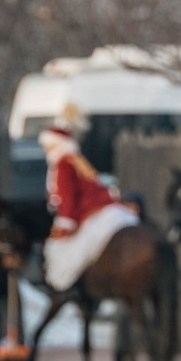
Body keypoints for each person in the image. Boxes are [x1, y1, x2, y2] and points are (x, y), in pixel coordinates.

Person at [36, 124, 141, 292]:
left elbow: (67, 198)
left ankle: (71, 288)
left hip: (88, 212)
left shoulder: (63, 164)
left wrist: (65, 224)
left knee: (68, 251)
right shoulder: (76, 160)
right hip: (107, 208)